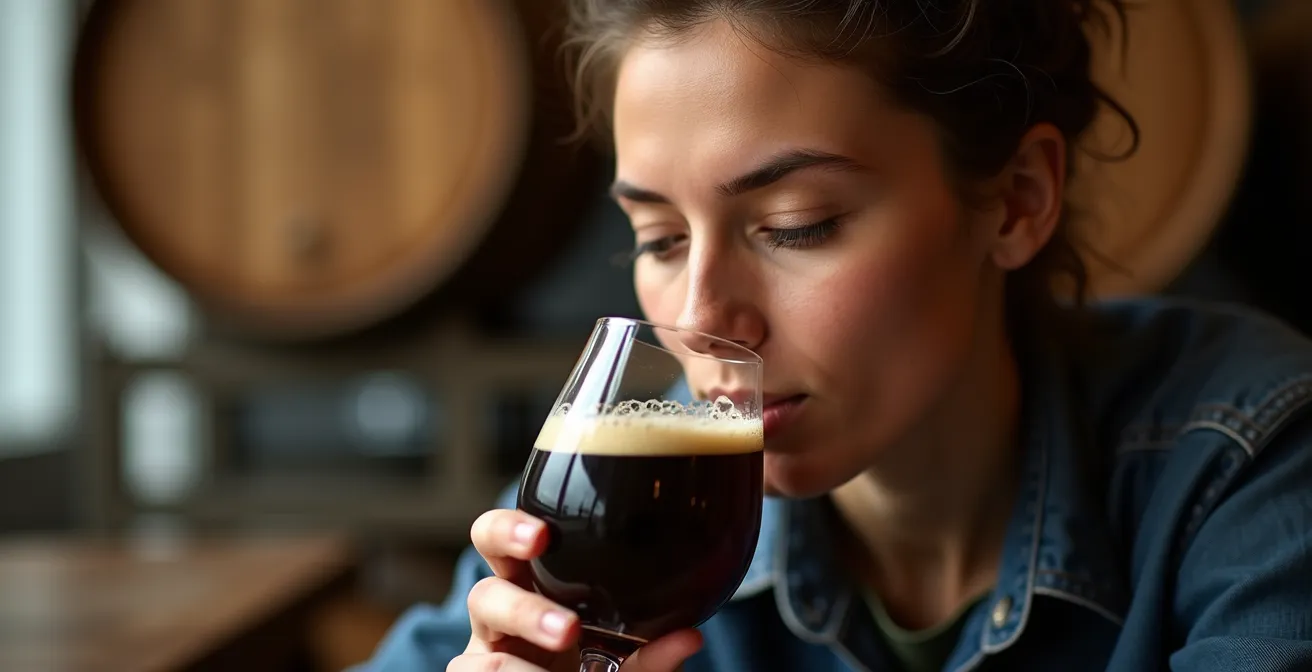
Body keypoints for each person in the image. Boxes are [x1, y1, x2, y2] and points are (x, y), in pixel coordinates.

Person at [357, 0, 1312, 670]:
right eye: (660, 239)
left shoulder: (1248, 457)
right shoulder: (625, 496)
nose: (701, 318)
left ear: (1018, 201)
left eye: (797, 225)